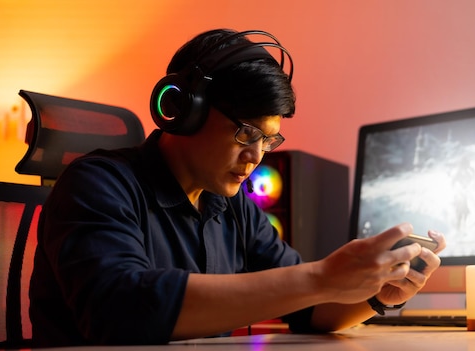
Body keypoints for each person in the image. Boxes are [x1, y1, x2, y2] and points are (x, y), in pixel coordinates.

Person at [29, 28, 446, 347]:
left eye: (269, 140)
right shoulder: (96, 183)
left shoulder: (232, 207)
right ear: (183, 110)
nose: (257, 156)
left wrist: (377, 296)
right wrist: (320, 276)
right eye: (246, 133)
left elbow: (307, 308)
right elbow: (120, 310)